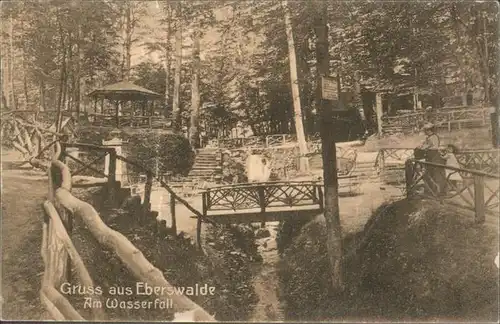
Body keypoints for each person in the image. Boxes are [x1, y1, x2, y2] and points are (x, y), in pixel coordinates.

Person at [416, 123, 446, 196]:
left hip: (434, 155)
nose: (425, 132)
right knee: (429, 173)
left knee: (435, 174)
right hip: (430, 155)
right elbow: (425, 145)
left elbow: (430, 146)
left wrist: (422, 148)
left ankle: (438, 191)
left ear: (429, 130)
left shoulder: (433, 137)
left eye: (426, 130)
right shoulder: (429, 137)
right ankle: (431, 190)